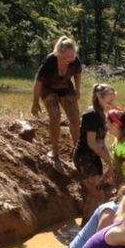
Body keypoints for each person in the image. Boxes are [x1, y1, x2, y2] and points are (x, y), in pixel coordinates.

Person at [32, 36, 82, 172]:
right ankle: (55, 152)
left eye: (72, 56)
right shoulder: (50, 61)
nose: (69, 59)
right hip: (48, 88)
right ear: (59, 52)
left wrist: (77, 90)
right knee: (55, 116)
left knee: (75, 118)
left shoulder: (75, 61)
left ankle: (77, 151)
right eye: (66, 56)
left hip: (65, 87)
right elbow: (38, 82)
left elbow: (77, 74)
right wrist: (35, 102)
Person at [73, 84, 116, 221]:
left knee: (93, 196)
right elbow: (92, 143)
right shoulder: (91, 115)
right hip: (84, 158)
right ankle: (88, 232)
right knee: (99, 196)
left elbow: (102, 143)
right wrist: (109, 161)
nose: (112, 104)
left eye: (112, 100)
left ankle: (84, 229)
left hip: (94, 158)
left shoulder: (102, 115)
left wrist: (111, 162)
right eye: (109, 101)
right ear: (98, 97)